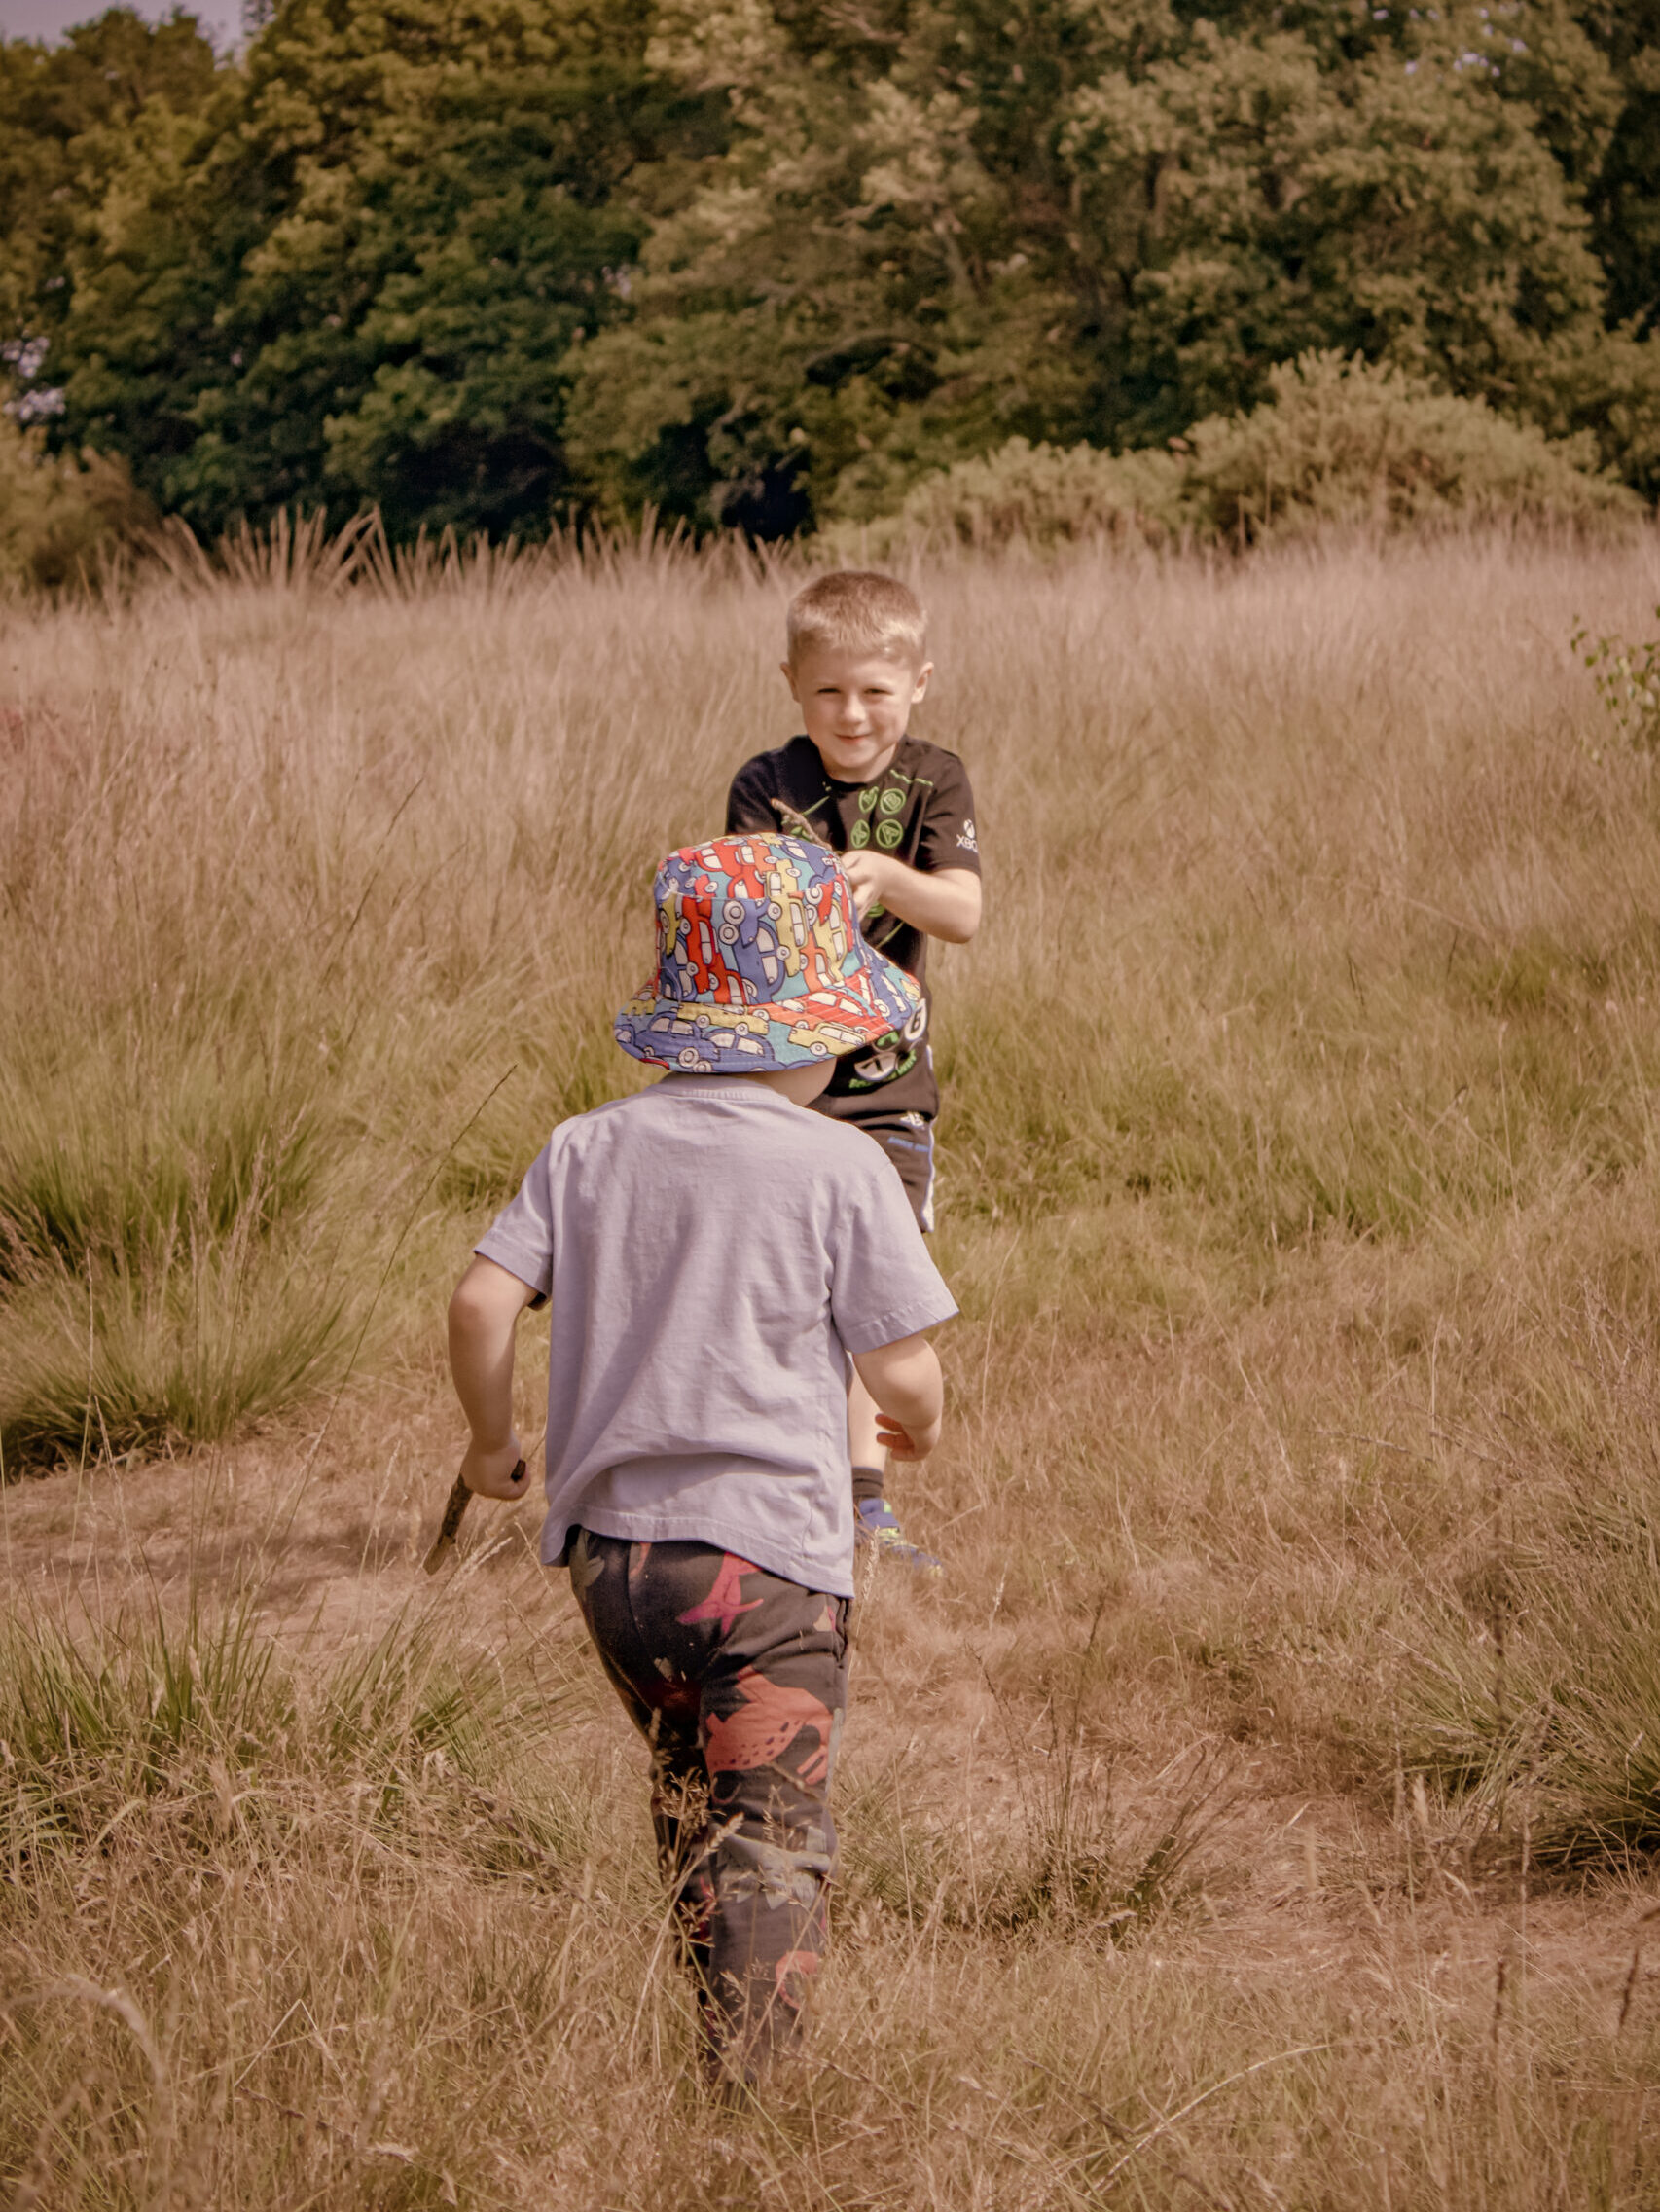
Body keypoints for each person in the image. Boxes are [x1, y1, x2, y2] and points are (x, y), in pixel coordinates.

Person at [446, 831, 957, 2087]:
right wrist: (921, 1429)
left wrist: (493, 1443)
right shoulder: (840, 1162)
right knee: (772, 1829)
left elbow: (477, 1304)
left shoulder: (584, 1146)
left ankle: (704, 2024)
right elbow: (903, 1372)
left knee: (688, 1795)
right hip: (769, 1567)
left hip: (613, 1567)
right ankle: (753, 2104)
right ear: (815, 1028)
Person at [725, 570, 981, 1572]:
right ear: (792, 682)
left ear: (917, 682)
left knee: (871, 1293)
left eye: (875, 690)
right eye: (828, 690)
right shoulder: (766, 783)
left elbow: (961, 911)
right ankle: (782, 1473)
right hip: (777, 1083)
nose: (852, 713)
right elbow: (747, 926)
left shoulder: (934, 779)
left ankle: (863, 1496)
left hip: (884, 1087)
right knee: (782, 1287)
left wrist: (887, 878)